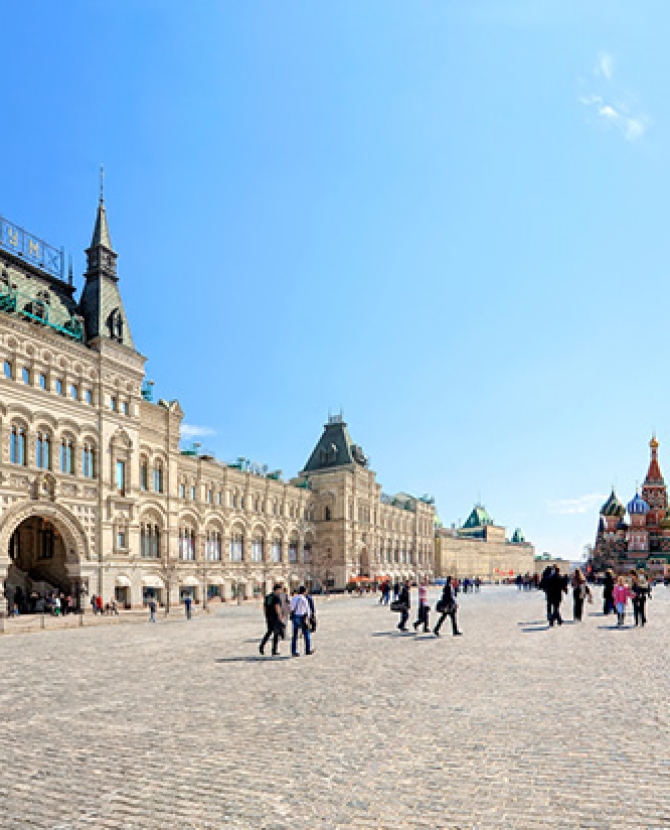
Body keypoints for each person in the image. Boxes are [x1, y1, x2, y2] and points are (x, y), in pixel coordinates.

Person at [259, 583, 285, 656]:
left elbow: (264, 607)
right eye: (280, 590)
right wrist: (280, 616)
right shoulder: (276, 597)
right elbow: (277, 607)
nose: (281, 591)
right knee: (276, 634)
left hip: (269, 616)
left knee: (269, 632)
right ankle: (274, 650)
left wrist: (266, 616)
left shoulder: (268, 597)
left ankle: (262, 646)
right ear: (277, 589)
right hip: (275, 617)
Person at [290, 585, 314, 657]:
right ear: (304, 591)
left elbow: (291, 608)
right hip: (302, 617)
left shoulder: (294, 598)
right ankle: (307, 650)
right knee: (306, 634)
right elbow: (307, 609)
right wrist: (309, 618)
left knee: (294, 635)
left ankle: (294, 651)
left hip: (295, 617)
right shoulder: (303, 599)